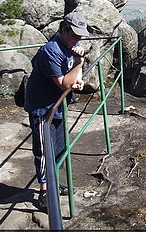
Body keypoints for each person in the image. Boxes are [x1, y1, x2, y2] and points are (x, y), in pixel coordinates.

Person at [24, 11, 89, 211]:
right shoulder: (51, 51)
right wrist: (79, 63)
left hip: (58, 105)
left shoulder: (69, 47)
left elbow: (71, 78)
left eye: (80, 36)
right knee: (44, 151)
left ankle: (54, 184)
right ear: (63, 30)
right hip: (43, 108)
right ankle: (45, 192)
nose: (77, 39)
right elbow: (62, 83)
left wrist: (78, 82)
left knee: (59, 148)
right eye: (74, 35)